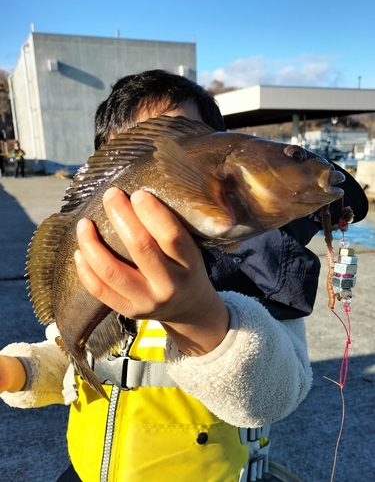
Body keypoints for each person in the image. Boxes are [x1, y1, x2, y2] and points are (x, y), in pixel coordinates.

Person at [0, 70, 368, 482]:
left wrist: (198, 314)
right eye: (132, 154)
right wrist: (18, 371)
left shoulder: (258, 275)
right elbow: (69, 357)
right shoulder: (96, 265)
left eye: (181, 138)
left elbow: (281, 392)